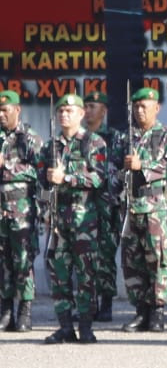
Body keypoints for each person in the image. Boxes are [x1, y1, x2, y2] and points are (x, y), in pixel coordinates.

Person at [40, 94, 108, 343]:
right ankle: (65, 325)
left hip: (83, 219)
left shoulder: (93, 143)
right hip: (58, 219)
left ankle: (87, 325)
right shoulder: (50, 146)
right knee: (59, 273)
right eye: (60, 111)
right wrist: (45, 209)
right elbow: (41, 183)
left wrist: (67, 178)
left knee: (86, 273)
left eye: (69, 111)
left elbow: (98, 179)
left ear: (80, 114)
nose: (63, 115)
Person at [118, 87, 167, 332]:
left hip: (155, 206)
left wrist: (141, 165)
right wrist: (122, 173)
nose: (139, 110)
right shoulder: (125, 137)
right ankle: (140, 311)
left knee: (157, 259)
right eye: (136, 106)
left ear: (156, 108)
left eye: (144, 106)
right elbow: (112, 168)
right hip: (130, 206)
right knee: (132, 261)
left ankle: (157, 311)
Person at [0, 90, 44, 331]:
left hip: (21, 209)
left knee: (23, 260)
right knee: (2, 261)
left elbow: (38, 171)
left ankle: (25, 310)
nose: (0, 115)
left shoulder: (29, 138)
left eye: (5, 110)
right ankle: (5, 310)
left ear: (17, 110)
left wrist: (6, 165)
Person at [81, 90, 127, 322]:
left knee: (105, 255)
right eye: (86, 106)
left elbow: (122, 171)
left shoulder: (114, 138)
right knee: (82, 256)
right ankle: (86, 303)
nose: (87, 110)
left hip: (107, 206)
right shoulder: (77, 138)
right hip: (80, 207)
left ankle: (106, 302)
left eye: (92, 106)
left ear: (104, 110)